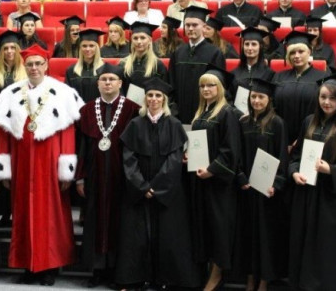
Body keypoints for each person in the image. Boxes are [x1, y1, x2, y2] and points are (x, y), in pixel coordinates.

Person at [0, 44, 83, 285]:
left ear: (46, 65)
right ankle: (27, 266)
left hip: (50, 164)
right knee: (23, 215)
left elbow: (68, 133)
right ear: (24, 66)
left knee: (51, 217)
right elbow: (3, 134)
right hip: (21, 164)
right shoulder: (11, 94)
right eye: (30, 64)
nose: (34, 68)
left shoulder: (63, 93)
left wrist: (66, 170)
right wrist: (4, 169)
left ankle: (49, 266)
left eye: (38, 64)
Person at [115, 77, 201, 289]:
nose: (153, 99)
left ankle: (166, 280)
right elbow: (128, 159)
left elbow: (174, 160)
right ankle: (137, 278)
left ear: (164, 99)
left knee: (169, 236)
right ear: (145, 99)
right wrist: (142, 187)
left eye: (158, 96)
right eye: (150, 95)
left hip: (168, 191)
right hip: (139, 190)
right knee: (137, 237)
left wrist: (157, 187)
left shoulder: (174, 125)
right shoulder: (135, 124)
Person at [75, 63, 139, 287]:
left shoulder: (132, 109)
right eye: (104, 79)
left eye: (112, 79)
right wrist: (80, 177)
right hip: (95, 176)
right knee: (95, 220)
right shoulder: (86, 110)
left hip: (122, 176)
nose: (108, 83)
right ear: (98, 83)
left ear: (120, 83)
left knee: (120, 222)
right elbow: (81, 146)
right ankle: (97, 270)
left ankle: (116, 270)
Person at [189, 65, 240, 289]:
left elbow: (230, 149)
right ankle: (208, 270)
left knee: (219, 229)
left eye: (211, 85)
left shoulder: (227, 112)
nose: (206, 89)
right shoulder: (202, 112)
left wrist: (212, 169)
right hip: (202, 180)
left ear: (220, 88)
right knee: (206, 227)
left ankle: (218, 275)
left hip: (219, 184)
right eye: (202, 86)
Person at [235, 78, 288, 291]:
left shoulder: (277, 123)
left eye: (261, 97)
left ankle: (264, 280)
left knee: (265, 237)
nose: (256, 101)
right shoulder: (243, 122)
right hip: (247, 189)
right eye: (253, 96)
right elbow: (237, 154)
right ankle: (250, 278)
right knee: (248, 235)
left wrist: (277, 184)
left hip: (267, 192)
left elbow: (282, 156)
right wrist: (240, 177)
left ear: (269, 99)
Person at [288, 75, 336, 290]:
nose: (327, 102)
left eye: (333, 98)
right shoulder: (308, 121)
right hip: (305, 192)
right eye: (323, 97)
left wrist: (330, 169)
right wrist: (294, 172)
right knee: (301, 239)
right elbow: (295, 156)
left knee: (323, 246)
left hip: (328, 198)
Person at [169, 6, 225, 124]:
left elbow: (219, 87)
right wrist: (174, 111)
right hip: (180, 114)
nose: (190, 28)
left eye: (195, 25)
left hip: (205, 115)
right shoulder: (178, 53)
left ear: (204, 26)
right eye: (187, 25)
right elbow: (171, 84)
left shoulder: (215, 53)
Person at [274, 31, 327, 147]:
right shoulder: (279, 77)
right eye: (292, 52)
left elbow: (324, 111)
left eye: (301, 51)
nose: (296, 56)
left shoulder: (322, 78)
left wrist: (303, 137)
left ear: (309, 52)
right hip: (281, 136)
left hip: (311, 137)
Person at [0, 31, 28, 109]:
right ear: (1, 52)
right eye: (5, 48)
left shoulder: (26, 72)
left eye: (13, 47)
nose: (9, 51)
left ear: (18, 50)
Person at [120, 22, 167, 95]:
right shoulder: (124, 64)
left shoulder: (158, 65)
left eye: (142, 38)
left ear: (150, 40)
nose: (139, 41)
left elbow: (164, 93)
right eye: (135, 38)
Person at [230, 27, 275, 98]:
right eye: (247, 44)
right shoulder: (234, 74)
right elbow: (228, 97)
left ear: (260, 47)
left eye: (254, 44)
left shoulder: (269, 74)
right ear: (243, 47)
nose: (250, 48)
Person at [65, 29, 104, 103]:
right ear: (80, 48)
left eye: (91, 46)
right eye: (84, 46)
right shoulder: (72, 71)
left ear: (97, 48)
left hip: (98, 108)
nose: (87, 49)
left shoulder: (104, 69)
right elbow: (67, 95)